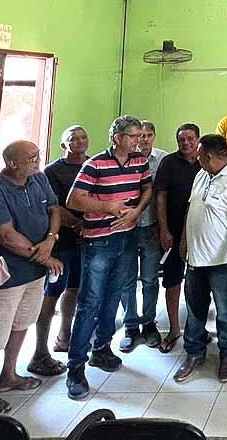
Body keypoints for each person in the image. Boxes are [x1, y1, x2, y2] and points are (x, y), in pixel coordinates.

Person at [65, 116, 153, 399]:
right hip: (99, 240)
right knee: (90, 302)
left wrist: (137, 210)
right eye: (133, 136)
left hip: (127, 238)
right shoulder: (95, 164)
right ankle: (75, 368)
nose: (138, 140)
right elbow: (74, 200)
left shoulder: (140, 161)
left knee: (115, 296)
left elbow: (147, 188)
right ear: (117, 137)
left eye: (140, 135)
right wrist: (109, 205)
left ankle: (101, 349)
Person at [0, 141, 64, 412]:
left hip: (35, 272)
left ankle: (9, 375)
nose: (37, 160)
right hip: (9, 274)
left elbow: (54, 210)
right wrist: (45, 256)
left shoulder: (38, 178)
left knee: (22, 322)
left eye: (38, 155)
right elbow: (6, 235)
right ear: (12, 163)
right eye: (32, 157)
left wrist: (50, 240)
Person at [173, 134, 227, 384]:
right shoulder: (202, 173)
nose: (195, 158)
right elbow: (192, 207)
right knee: (195, 309)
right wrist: (184, 240)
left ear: (208, 156)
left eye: (199, 154)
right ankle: (194, 352)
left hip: (223, 260)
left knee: (226, 312)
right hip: (196, 259)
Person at [33, 125, 87, 372]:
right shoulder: (52, 171)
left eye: (83, 137)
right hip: (60, 242)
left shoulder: (92, 164)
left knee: (74, 290)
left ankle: (64, 336)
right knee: (52, 293)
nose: (79, 142)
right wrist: (75, 223)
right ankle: (39, 350)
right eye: (73, 139)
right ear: (63, 145)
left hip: (86, 240)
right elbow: (53, 206)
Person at [151, 123, 203, 354]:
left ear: (198, 140)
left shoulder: (207, 161)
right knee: (172, 281)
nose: (186, 143)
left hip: (201, 233)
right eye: (182, 140)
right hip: (172, 231)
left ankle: (197, 329)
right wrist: (163, 230)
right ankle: (173, 329)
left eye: (190, 139)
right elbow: (160, 198)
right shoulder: (169, 163)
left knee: (200, 283)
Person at [119, 120, 169, 353]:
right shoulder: (123, 158)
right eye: (140, 135)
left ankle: (149, 323)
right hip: (125, 228)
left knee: (150, 279)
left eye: (149, 134)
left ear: (154, 136)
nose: (144, 139)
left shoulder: (163, 160)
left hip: (150, 226)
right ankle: (130, 326)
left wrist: (163, 228)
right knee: (127, 280)